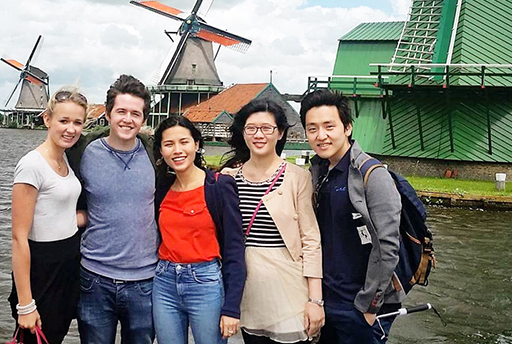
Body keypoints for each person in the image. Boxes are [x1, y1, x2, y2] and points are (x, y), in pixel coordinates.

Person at [299, 89, 403, 344]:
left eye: (329, 126)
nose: (320, 136)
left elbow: (388, 245)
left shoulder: (372, 175)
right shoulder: (317, 172)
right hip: (325, 301)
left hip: (358, 306)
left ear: (347, 127)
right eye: (312, 128)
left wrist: (369, 306)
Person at [220, 99, 324, 343]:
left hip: (286, 288)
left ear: (280, 133)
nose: (259, 135)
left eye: (267, 128)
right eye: (251, 128)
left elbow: (310, 239)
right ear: (243, 132)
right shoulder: (229, 178)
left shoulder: (298, 178)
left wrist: (315, 299)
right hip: (244, 289)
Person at [66, 75, 158, 344]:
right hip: (95, 278)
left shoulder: (155, 155)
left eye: (135, 113)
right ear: (108, 114)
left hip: (145, 280)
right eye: (121, 111)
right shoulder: (83, 152)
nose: (127, 119)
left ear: (143, 119)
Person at [152, 116, 246, 344]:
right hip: (164, 282)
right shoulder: (162, 189)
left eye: (184, 142)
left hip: (205, 282)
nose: (177, 150)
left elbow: (235, 248)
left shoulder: (219, 186)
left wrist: (232, 308)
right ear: (161, 151)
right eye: (169, 144)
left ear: (196, 144)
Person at [9, 88, 89, 344]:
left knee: (55, 336)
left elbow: (56, 213)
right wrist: (25, 303)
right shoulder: (32, 165)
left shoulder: (65, 161)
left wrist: (89, 218)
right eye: (63, 121)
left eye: (77, 122)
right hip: (43, 271)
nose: (71, 129)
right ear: (47, 119)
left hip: (67, 267)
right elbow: (19, 237)